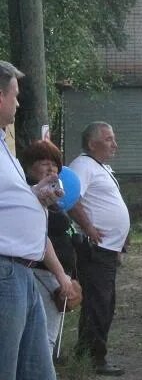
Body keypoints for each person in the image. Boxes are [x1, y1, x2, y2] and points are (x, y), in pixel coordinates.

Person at [0, 61, 78, 380]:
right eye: (14, 96)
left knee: (35, 372)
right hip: (5, 271)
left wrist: (35, 195)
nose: (18, 104)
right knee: (5, 371)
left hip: (23, 272)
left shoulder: (5, 148)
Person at [68, 121, 131, 376]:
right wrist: (89, 228)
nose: (114, 144)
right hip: (95, 248)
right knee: (99, 303)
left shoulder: (99, 167)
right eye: (108, 139)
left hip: (107, 248)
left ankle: (87, 352)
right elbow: (71, 199)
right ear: (91, 143)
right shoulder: (83, 165)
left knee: (104, 302)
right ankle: (95, 357)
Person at [20, 140, 84, 355]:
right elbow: (42, 239)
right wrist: (61, 276)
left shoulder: (52, 198)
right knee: (43, 339)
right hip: (42, 275)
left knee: (46, 337)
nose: (51, 169)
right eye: (44, 163)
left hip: (56, 276)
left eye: (55, 164)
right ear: (29, 167)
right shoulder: (29, 196)